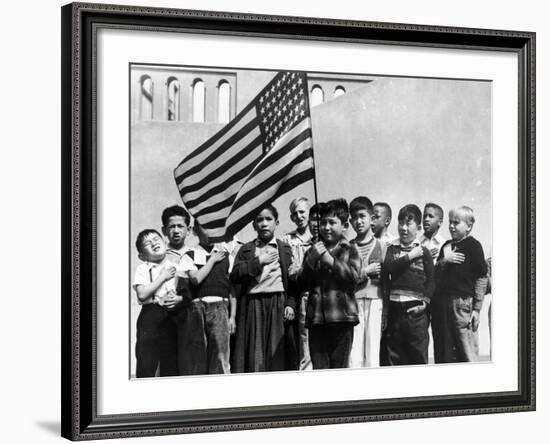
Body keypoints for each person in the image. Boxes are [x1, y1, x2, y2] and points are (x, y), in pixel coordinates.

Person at [230, 204, 298, 372]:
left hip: (278, 303)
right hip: (254, 303)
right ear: (254, 225)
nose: (264, 223)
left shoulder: (285, 249)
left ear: (277, 223)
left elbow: (293, 281)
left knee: (277, 352)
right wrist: (259, 261)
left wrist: (290, 303)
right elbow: (236, 274)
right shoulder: (246, 249)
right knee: (255, 352)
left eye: (269, 219)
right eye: (259, 220)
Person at [299, 199, 361, 369]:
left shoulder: (351, 249)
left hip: (342, 319)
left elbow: (354, 278)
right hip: (317, 320)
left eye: (332, 222)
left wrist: (329, 260)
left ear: (345, 225)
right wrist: (310, 261)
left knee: (339, 370)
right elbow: (302, 283)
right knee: (320, 370)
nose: (326, 227)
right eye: (323, 222)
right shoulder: (312, 250)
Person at [132, 229, 193, 377]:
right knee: (146, 361)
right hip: (150, 315)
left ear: (165, 243)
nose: (153, 243)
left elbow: (188, 294)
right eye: (147, 243)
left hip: (173, 316)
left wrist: (179, 299)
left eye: (156, 239)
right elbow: (142, 295)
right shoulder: (143, 269)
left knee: (171, 362)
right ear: (141, 255)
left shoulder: (178, 267)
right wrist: (162, 277)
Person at [178, 223, 237, 375]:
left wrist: (232, 317)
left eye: (213, 226)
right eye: (205, 227)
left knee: (220, 354)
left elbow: (232, 290)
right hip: (197, 309)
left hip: (220, 307)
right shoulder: (190, 255)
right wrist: (212, 260)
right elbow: (196, 279)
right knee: (198, 354)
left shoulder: (225, 256)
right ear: (196, 230)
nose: (210, 231)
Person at [432, 206, 488, 363]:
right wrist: (444, 261)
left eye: (456, 223)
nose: (451, 226)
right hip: (442, 305)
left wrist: (477, 309)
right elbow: (435, 276)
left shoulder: (474, 246)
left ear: (468, 226)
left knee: (466, 348)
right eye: (450, 222)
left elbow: (481, 278)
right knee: (445, 351)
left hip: (462, 305)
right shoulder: (446, 246)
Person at [381, 204, 435, 366]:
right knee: (394, 355)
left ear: (418, 227)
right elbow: (389, 268)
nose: (403, 228)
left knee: (417, 354)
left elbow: (432, 281)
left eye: (408, 224)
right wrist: (410, 256)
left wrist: (424, 304)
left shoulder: (424, 251)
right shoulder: (392, 248)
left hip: (416, 311)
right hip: (394, 308)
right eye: (400, 223)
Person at [348, 196, 387, 368]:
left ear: (371, 218)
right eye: (354, 218)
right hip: (353, 302)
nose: (358, 221)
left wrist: (386, 310)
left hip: (376, 300)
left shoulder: (382, 246)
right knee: (354, 352)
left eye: (362, 216)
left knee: (373, 351)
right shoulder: (347, 247)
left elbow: (387, 281)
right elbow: (345, 278)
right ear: (350, 221)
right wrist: (366, 271)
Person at [282, 197, 313, 371]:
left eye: (302, 212)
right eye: (295, 213)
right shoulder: (288, 240)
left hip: (319, 293)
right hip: (300, 294)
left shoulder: (318, 237)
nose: (299, 216)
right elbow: (289, 272)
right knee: (304, 340)